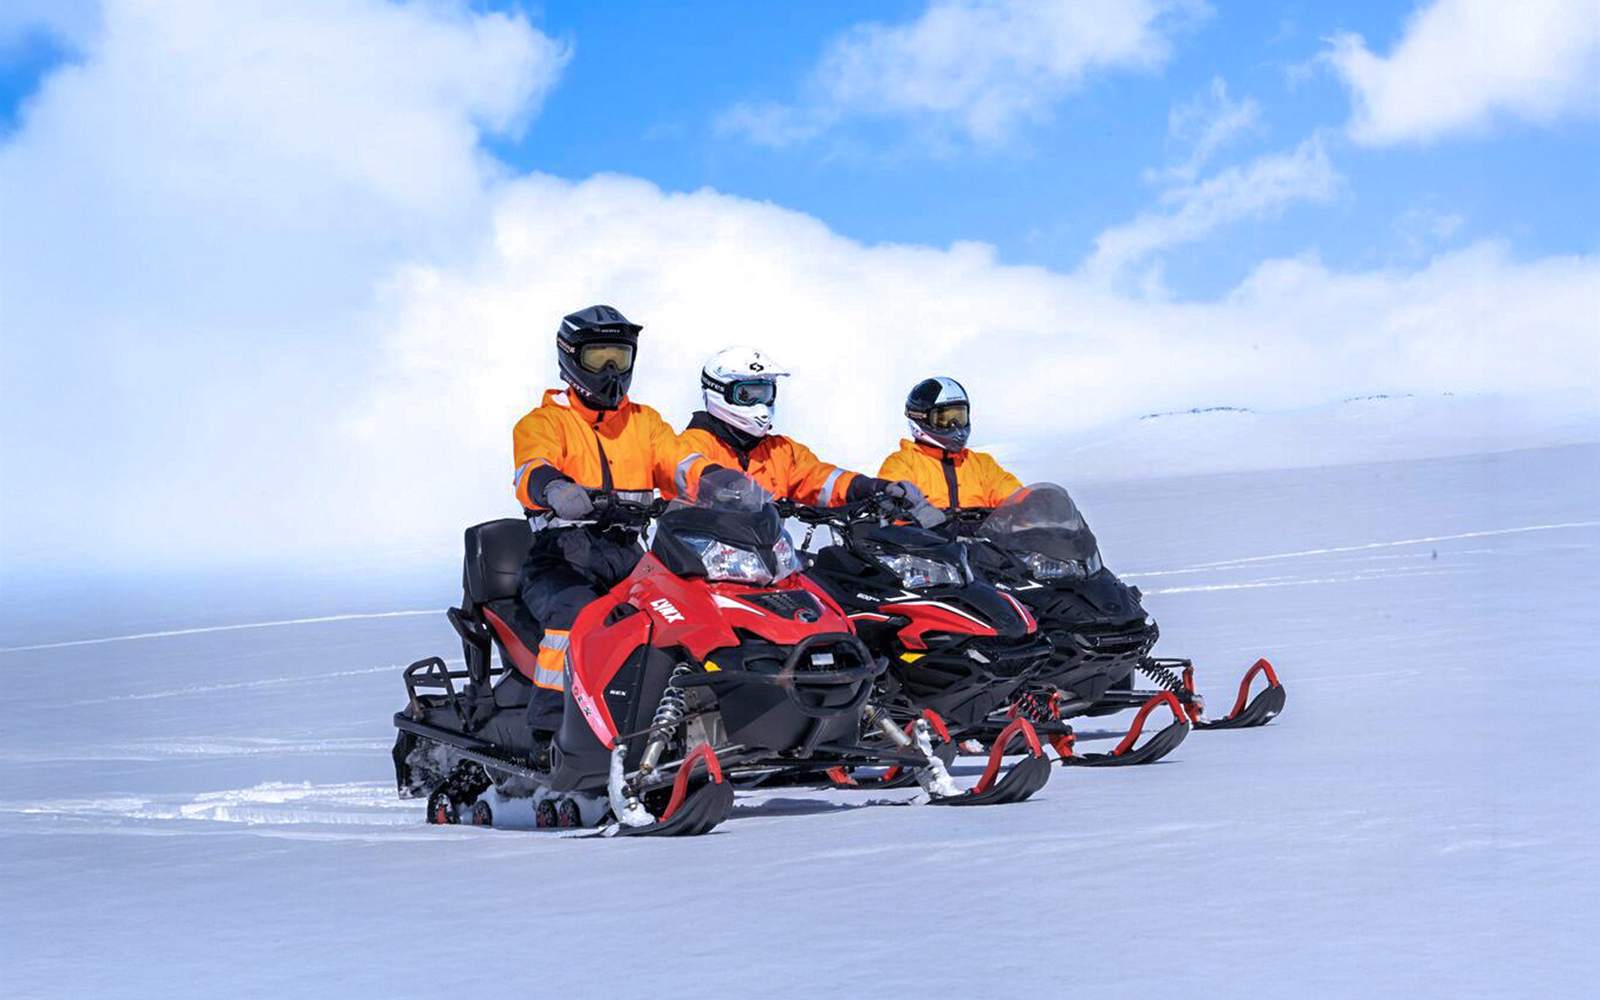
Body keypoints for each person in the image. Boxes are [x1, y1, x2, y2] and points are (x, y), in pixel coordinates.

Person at [512, 306, 745, 733]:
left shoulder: (644, 422)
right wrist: (554, 489)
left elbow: (678, 462)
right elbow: (531, 467)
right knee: (575, 617)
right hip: (561, 555)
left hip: (628, 553)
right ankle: (553, 728)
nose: (611, 371)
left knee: (687, 610)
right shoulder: (545, 421)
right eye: (599, 358)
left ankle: (693, 715)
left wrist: (719, 481)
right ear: (570, 358)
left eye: (619, 358)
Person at [679, 346, 938, 519]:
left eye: (766, 394)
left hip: (765, 560)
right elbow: (688, 473)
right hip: (701, 559)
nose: (761, 405)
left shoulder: (781, 451)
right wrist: (728, 488)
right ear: (719, 392)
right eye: (748, 395)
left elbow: (822, 480)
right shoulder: (691, 445)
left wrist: (873, 487)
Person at [877, 377, 1023, 509]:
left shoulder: (982, 465)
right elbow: (892, 503)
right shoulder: (903, 463)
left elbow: (1011, 494)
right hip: (926, 531)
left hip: (983, 531)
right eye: (944, 419)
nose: (955, 426)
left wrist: (1030, 501)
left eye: (960, 417)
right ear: (921, 418)